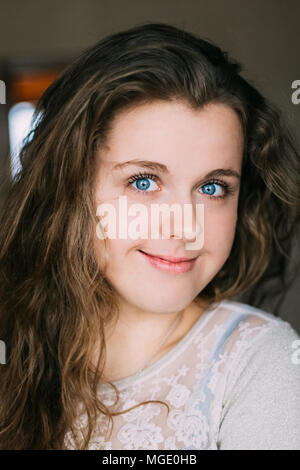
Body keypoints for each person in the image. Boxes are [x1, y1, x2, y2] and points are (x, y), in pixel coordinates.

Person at [0, 22, 300, 451]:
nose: (184, 226)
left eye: (212, 187)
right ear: (70, 188)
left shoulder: (262, 364)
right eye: (144, 182)